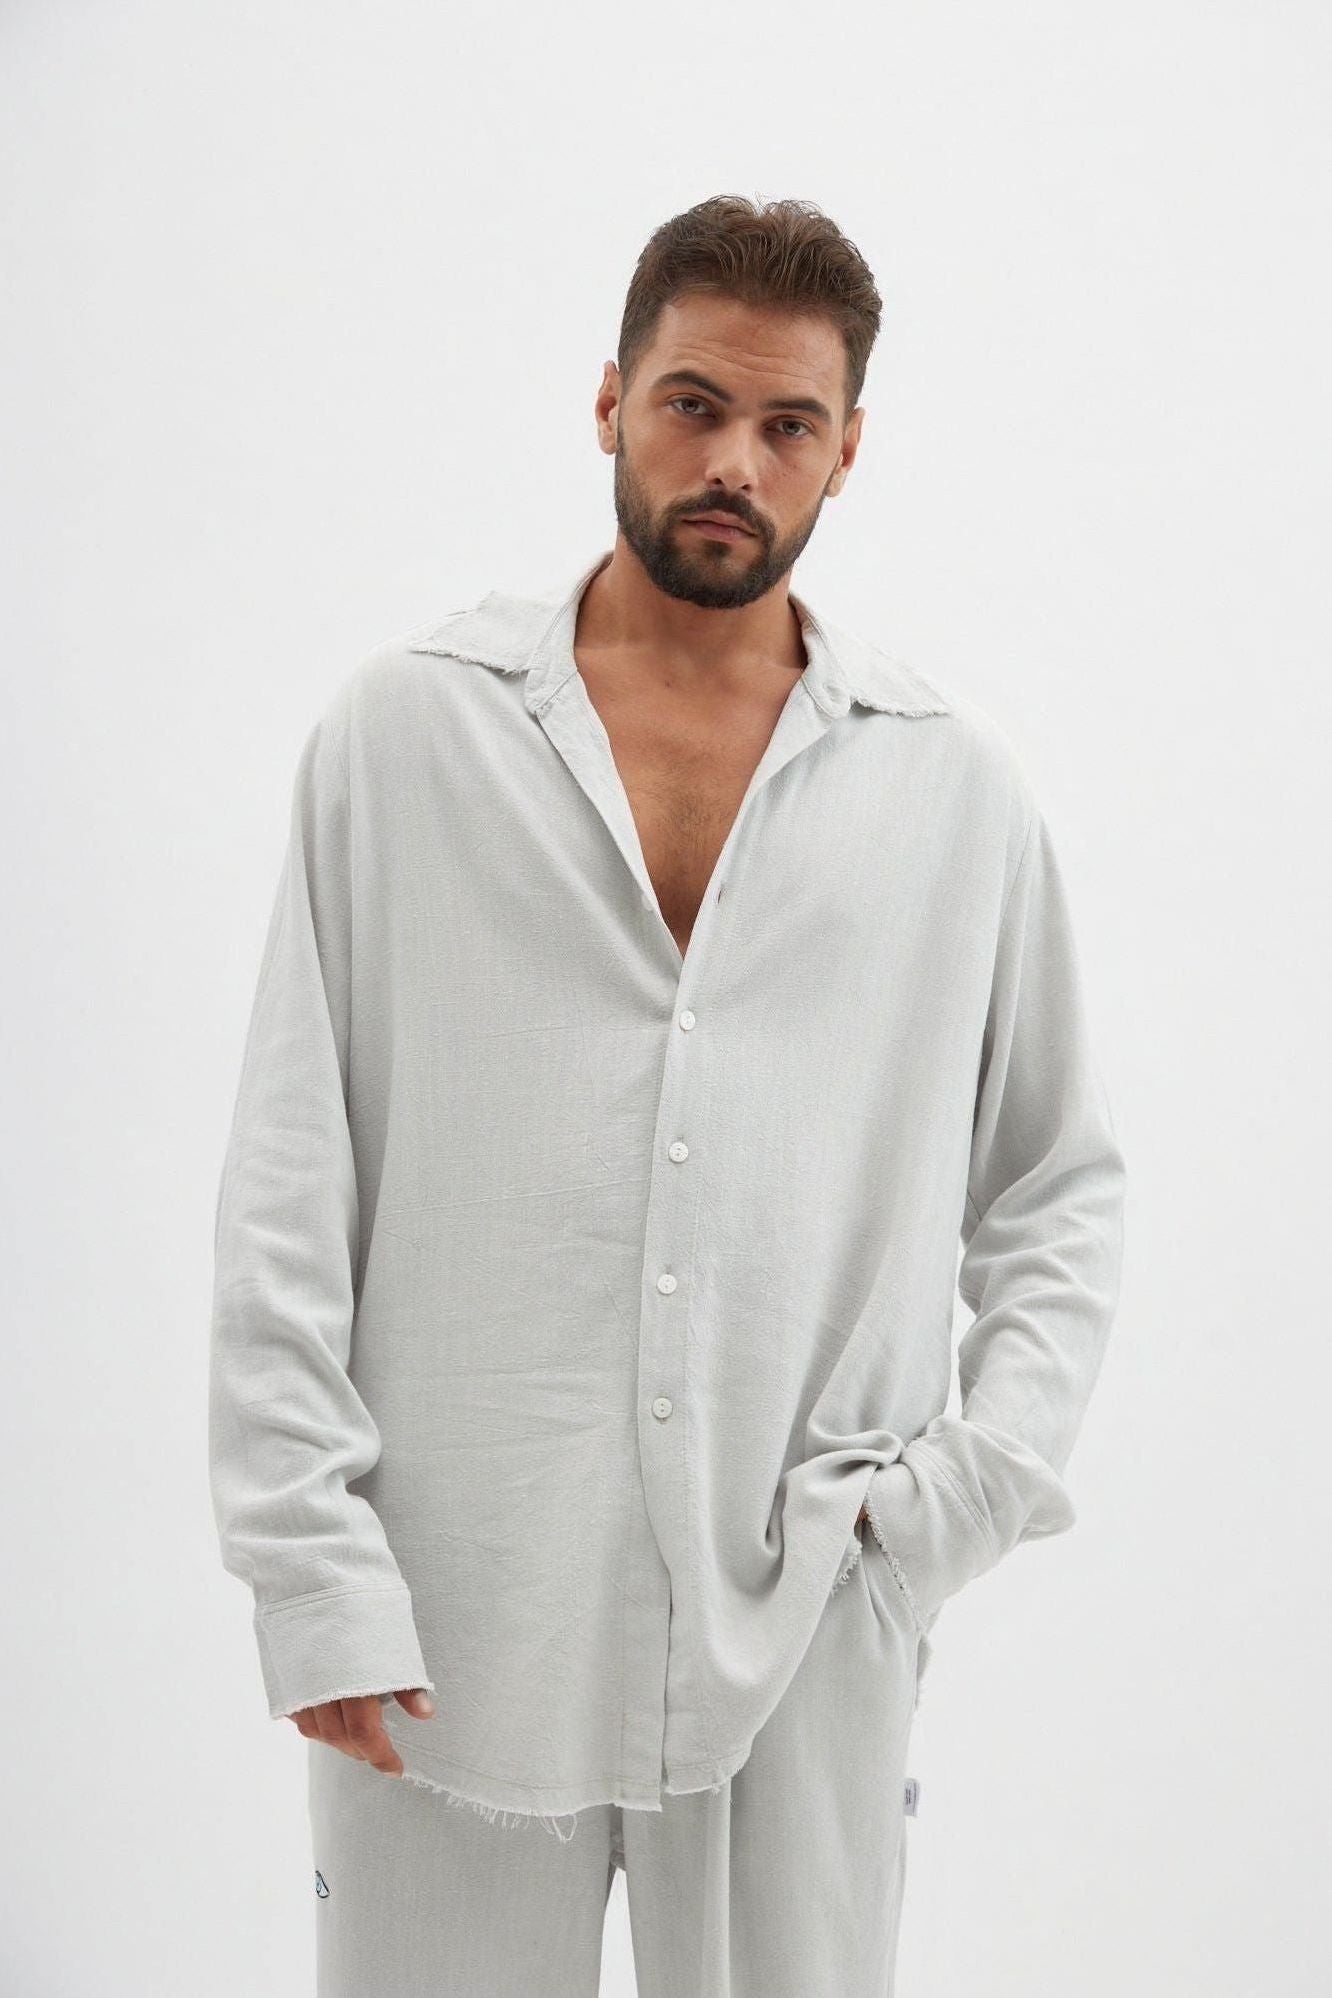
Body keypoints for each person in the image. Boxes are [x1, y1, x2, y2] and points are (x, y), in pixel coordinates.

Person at [208, 193, 1127, 1996]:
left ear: (846, 451)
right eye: (695, 404)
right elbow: (286, 1182)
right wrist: (311, 1567)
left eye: (789, 424)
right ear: (610, 399)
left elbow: (1057, 1184)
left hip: (803, 1626)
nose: (734, 462)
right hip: (449, 1620)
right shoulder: (406, 739)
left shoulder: (953, 793)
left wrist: (955, 1500)